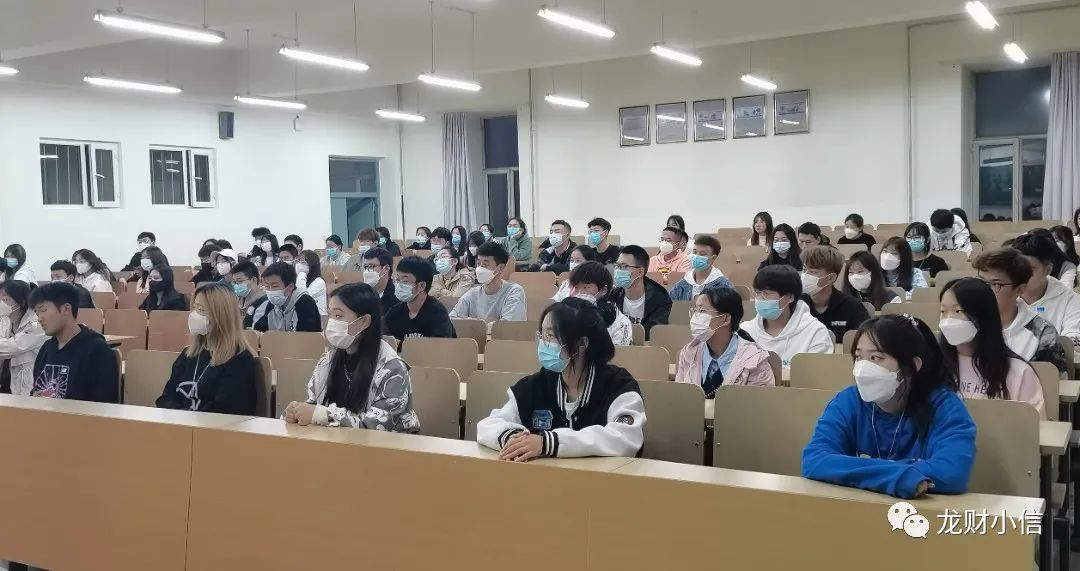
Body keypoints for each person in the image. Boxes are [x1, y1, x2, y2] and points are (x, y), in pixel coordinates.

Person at [801, 315, 976, 499]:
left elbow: (951, 472)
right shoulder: (848, 401)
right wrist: (899, 477)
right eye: (859, 357)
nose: (863, 368)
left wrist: (855, 470)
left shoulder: (945, 407)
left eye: (876, 357)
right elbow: (815, 459)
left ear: (913, 366)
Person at [476, 298, 646, 459]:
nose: (543, 343)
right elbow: (488, 425)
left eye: (551, 336)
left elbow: (625, 438)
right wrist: (515, 440)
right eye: (542, 335)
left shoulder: (618, 385)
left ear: (582, 344)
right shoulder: (534, 385)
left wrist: (549, 443)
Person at [283, 283, 420, 432]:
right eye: (330, 315)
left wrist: (321, 415)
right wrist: (297, 411)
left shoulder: (392, 369)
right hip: (336, 441)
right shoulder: (327, 361)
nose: (331, 322)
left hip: (387, 445)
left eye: (338, 316)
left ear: (364, 321)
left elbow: (375, 426)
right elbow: (314, 405)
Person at [939, 278, 1045, 418]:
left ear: (983, 316)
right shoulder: (935, 366)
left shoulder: (1019, 372)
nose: (948, 320)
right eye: (943, 311)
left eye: (958, 311)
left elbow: (1035, 424)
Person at [154, 283, 258, 415]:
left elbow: (225, 410)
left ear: (220, 316)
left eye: (201, 310)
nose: (194, 315)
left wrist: (184, 417)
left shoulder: (240, 360)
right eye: (194, 308)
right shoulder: (188, 355)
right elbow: (165, 398)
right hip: (179, 423)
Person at [972, 248, 1069, 376]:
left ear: (1020, 289)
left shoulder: (1043, 334)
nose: (984, 290)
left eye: (996, 284)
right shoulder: (966, 322)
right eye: (980, 281)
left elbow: (1052, 383)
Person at [28, 282, 119, 403]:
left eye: (43, 310)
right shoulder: (46, 348)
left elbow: (103, 403)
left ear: (66, 309)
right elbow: (36, 391)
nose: (39, 318)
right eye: (36, 313)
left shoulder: (96, 349)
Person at [675, 288, 775, 395]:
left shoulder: (755, 360)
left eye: (702, 311)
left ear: (725, 318)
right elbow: (680, 396)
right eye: (695, 310)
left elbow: (758, 402)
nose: (696, 317)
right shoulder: (689, 353)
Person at [742, 265, 833, 367]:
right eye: (757, 293)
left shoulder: (815, 332)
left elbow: (818, 373)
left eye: (766, 293)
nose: (760, 299)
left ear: (790, 297)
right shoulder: (745, 332)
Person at [1010, 232, 1080, 343]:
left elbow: (1072, 342)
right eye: (1016, 268)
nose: (1021, 274)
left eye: (1030, 269)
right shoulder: (1002, 294)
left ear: (1048, 269)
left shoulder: (1070, 301)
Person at [800, 246, 871, 342]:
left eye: (813, 271)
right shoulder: (796, 304)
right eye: (804, 270)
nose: (805, 275)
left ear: (831, 278)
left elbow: (865, 340)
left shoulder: (852, 306)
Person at [450, 242, 527, 322]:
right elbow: (452, 318)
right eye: (478, 264)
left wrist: (470, 321)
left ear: (500, 268)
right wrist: (484, 322)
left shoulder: (513, 291)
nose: (480, 269)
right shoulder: (473, 293)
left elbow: (507, 325)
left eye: (485, 264)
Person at [384, 256, 456, 341]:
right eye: (398, 279)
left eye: (405, 281)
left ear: (421, 286)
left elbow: (442, 345)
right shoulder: (395, 312)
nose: (399, 285)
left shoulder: (437, 312)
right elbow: (385, 339)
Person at [562, 261, 633, 346]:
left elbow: (618, 352)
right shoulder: (565, 313)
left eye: (586, 287)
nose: (580, 292)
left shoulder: (618, 321)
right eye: (576, 287)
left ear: (603, 290)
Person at [609, 245, 672, 335]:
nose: (618, 270)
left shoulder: (660, 298)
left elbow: (654, 334)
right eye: (617, 266)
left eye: (624, 266)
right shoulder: (613, 295)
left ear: (640, 272)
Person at [0, 281, 47, 396]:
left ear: (21, 302)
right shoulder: (5, 320)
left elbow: (14, 347)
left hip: (29, 384)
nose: (1, 303)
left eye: (5, 299)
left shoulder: (36, 323)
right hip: (6, 378)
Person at [253, 262, 322, 333]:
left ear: (290, 287)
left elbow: (305, 336)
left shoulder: (306, 303)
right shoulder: (271, 304)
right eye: (267, 286)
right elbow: (259, 330)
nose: (270, 291)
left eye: (274, 286)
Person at [670, 235, 733, 301]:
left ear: (713, 258)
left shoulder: (724, 286)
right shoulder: (682, 285)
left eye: (702, 254)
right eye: (694, 252)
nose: (696, 256)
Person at [358, 247, 400, 315]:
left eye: (371, 267)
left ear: (386, 268)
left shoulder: (397, 297)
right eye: (365, 267)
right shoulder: (360, 295)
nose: (367, 271)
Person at [228, 261, 268, 329]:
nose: (236, 285)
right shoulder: (237, 300)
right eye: (234, 282)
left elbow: (256, 330)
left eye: (240, 281)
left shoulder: (264, 301)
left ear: (254, 280)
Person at [297, 250, 327, 316]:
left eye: (303, 262)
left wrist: (301, 273)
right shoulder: (302, 279)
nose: (299, 265)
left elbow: (301, 297)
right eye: (298, 261)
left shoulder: (319, 282)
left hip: (319, 318)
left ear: (311, 264)